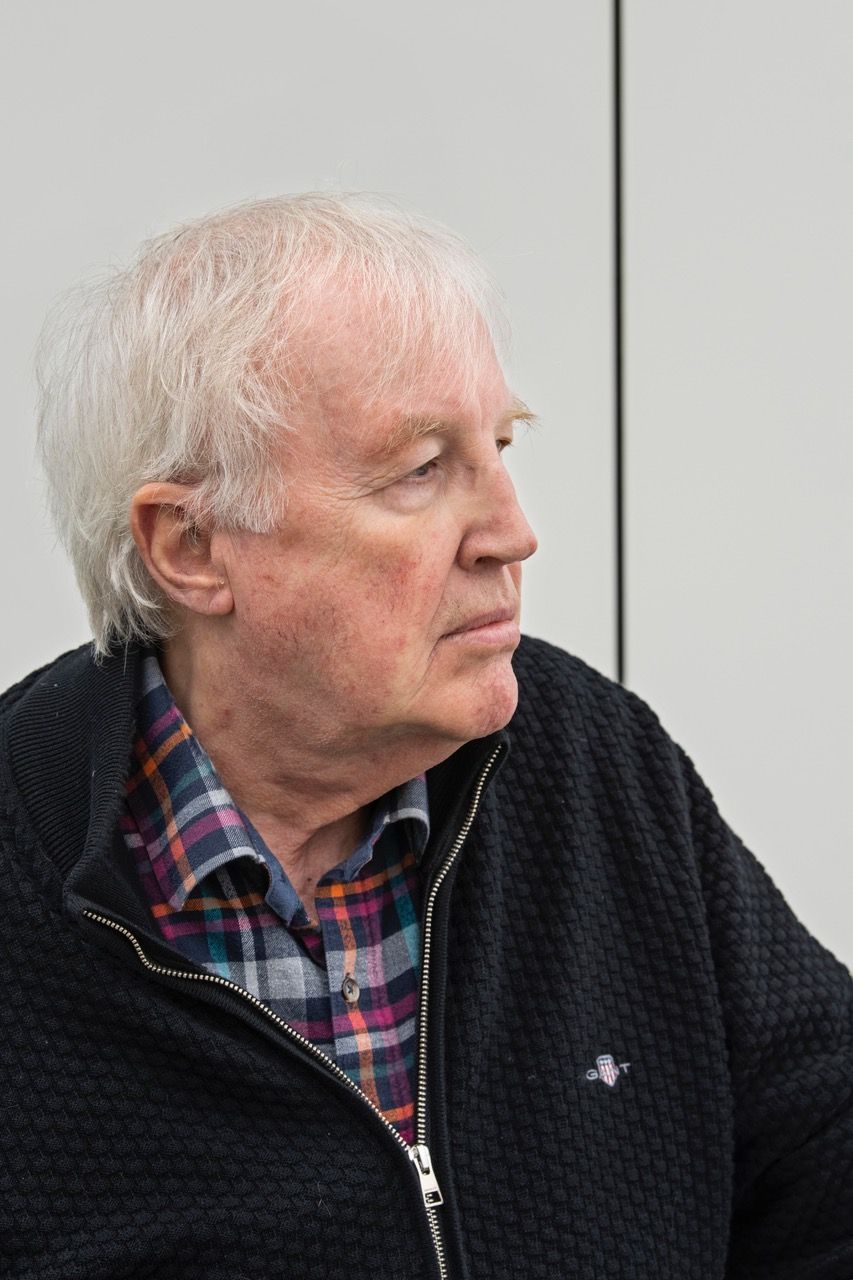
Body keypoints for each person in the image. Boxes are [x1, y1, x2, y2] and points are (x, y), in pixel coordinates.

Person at [0, 194, 850, 1280]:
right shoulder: (25, 866)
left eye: (499, 445)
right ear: (192, 545)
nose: (513, 532)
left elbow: (826, 1168)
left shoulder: (588, 758)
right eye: (420, 469)